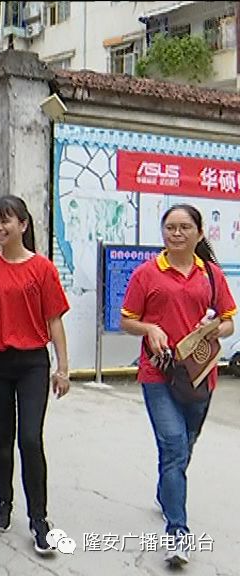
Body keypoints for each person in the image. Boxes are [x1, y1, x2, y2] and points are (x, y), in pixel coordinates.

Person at [120, 204, 235, 567]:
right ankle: (177, 532)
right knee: (173, 446)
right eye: (170, 227)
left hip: (200, 376)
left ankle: (165, 491)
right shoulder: (146, 273)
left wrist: (213, 328)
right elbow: (127, 320)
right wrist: (150, 329)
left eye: (185, 227)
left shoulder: (212, 275)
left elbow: (230, 322)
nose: (177, 233)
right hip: (159, 374)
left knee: (184, 447)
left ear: (199, 233)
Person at [0, 195, 70, 555]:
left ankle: (39, 519)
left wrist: (63, 368)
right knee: (3, 439)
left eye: (5, 221)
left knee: (30, 439)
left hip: (32, 364)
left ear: (23, 225)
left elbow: (54, 319)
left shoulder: (42, 268)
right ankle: (3, 504)